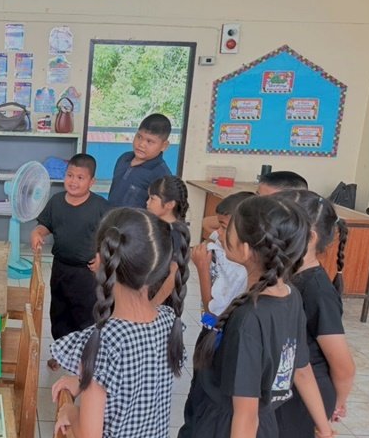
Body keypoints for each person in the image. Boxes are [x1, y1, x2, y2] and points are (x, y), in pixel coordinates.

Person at [183, 197, 341, 438]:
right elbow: (301, 369)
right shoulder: (290, 296)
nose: (219, 233)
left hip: (228, 436)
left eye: (229, 229)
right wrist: (325, 430)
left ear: (245, 250)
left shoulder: (248, 320)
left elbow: (245, 416)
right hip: (262, 430)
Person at [50, 208, 190, 438]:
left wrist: (71, 411)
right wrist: (84, 381)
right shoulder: (168, 322)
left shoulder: (102, 339)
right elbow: (133, 381)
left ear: (100, 261)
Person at [157, 190, 252, 438]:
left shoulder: (240, 268)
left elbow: (213, 310)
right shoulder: (226, 244)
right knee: (196, 406)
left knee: (200, 409)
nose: (217, 232)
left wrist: (201, 267)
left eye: (225, 227)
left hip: (217, 335)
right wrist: (224, 228)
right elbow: (210, 222)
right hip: (213, 335)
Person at [264, 190, 356, 438]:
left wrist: (333, 406)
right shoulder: (287, 276)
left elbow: (343, 366)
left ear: (310, 237)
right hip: (286, 386)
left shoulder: (317, 289)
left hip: (304, 396)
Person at [30, 153, 112, 371]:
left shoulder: (101, 207)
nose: (73, 181)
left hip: (88, 273)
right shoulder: (56, 201)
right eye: (70, 175)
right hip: (60, 268)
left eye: (80, 177)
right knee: (59, 313)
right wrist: (38, 232)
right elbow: (45, 225)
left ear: (92, 181)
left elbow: (113, 237)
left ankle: (85, 360)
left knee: (86, 316)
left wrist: (102, 256)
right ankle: (61, 353)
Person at [201, 170, 308, 236]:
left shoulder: (298, 234)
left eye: (267, 200)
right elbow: (207, 222)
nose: (258, 204)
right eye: (257, 196)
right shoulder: (254, 219)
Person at [107, 113, 171, 208]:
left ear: (164, 146)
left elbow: (159, 211)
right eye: (139, 137)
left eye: (149, 141)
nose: (141, 144)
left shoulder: (161, 175)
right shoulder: (124, 158)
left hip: (135, 218)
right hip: (110, 215)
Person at [145, 175, 190, 306]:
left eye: (152, 199)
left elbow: (173, 275)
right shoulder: (156, 225)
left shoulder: (176, 233)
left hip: (160, 301)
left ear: (170, 204)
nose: (147, 202)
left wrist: (153, 305)